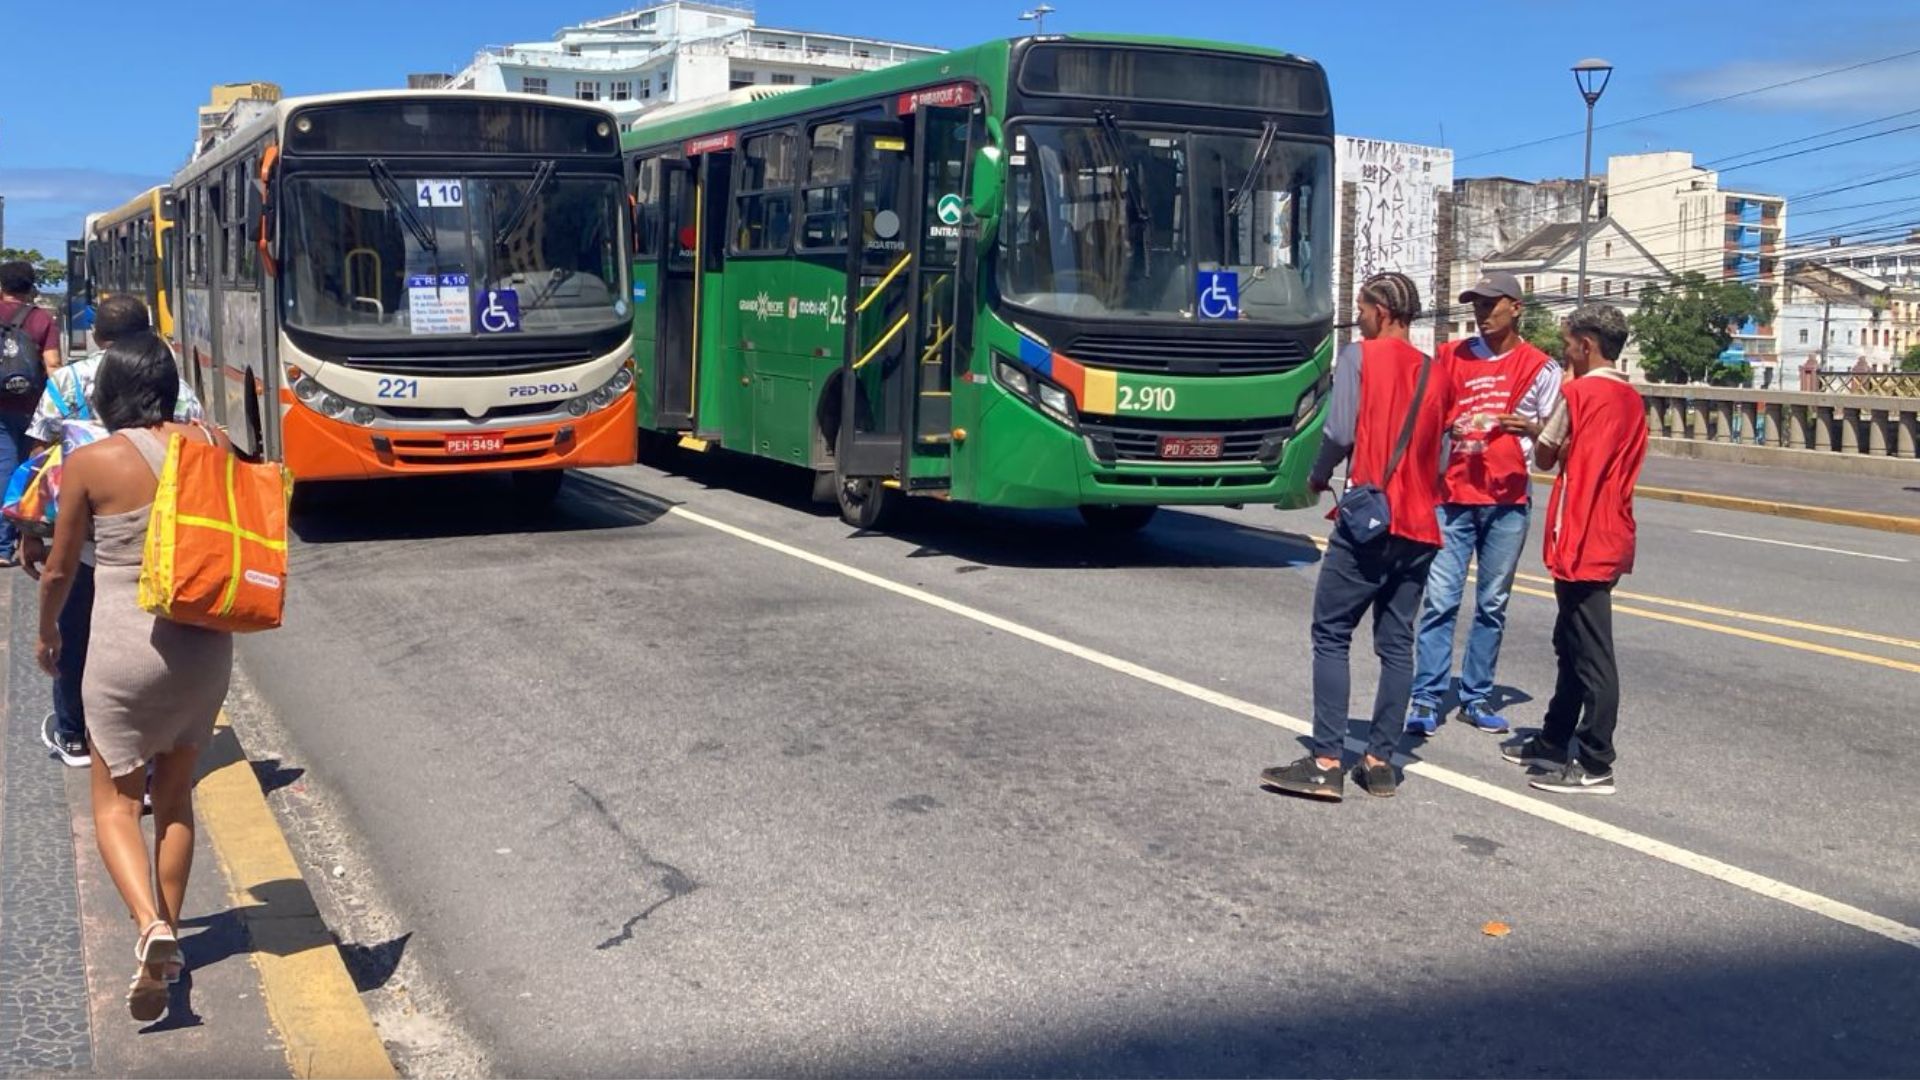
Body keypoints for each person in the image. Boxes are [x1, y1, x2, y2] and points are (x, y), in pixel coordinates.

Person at [35, 332, 236, 1021]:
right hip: (205, 648)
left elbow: (60, 569)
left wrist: (46, 631)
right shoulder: (212, 443)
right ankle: (171, 943)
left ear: (106, 390)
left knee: (116, 803)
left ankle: (148, 926)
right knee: (175, 799)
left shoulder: (91, 461)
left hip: (123, 649)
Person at [1261, 272, 1454, 801]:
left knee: (1331, 632)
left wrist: (1319, 475)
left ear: (1383, 312)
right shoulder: (1436, 374)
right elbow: (1443, 455)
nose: (1360, 316)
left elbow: (1340, 431)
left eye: (1364, 307)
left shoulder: (1359, 357)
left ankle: (1325, 761)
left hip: (1371, 518)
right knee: (1396, 644)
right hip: (1421, 525)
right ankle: (1380, 761)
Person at [22, 295, 202, 769]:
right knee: (155, 640)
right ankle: (153, 740)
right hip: (159, 540)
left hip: (83, 541)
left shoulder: (66, 380)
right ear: (148, 331)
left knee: (74, 635)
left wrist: (29, 530)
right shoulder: (173, 384)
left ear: (96, 335)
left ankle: (73, 733)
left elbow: (40, 457)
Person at [1405, 271, 1561, 738]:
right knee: (1440, 601)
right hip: (1452, 497)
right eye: (1476, 304)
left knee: (1492, 604)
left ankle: (1475, 696)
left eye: (1491, 304)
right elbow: (1427, 415)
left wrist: (1526, 430)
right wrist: (1447, 426)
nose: (1481, 312)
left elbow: (1555, 440)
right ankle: (1426, 697)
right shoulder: (1450, 357)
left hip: (1507, 501)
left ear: (1516, 307)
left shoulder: (1540, 367)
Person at [1501, 303, 1646, 796]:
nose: (1564, 352)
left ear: (1587, 345)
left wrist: (1531, 429)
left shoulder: (1578, 393)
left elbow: (1546, 455)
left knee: (1590, 653)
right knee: (1572, 644)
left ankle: (1595, 760)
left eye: (1567, 344)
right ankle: (1553, 737)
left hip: (1581, 532)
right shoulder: (1631, 399)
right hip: (1613, 528)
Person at [0, 260, 62, 567]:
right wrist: (62, 405)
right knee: (33, 468)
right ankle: (30, 531)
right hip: (33, 406)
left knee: (5, 467)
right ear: (31, 287)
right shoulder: (42, 319)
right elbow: (52, 364)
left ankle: (2, 545)